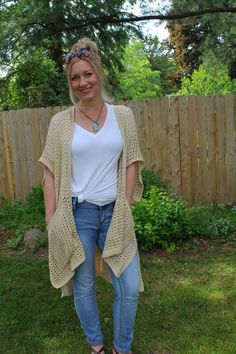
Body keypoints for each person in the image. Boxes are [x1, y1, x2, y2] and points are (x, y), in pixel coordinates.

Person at [39, 37, 144, 354]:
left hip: (115, 211)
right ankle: (97, 346)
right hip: (77, 214)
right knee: (84, 285)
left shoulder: (122, 116)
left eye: (87, 74)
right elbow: (50, 172)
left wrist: (124, 205)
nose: (82, 82)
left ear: (98, 73)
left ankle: (121, 348)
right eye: (75, 77)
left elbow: (131, 163)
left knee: (129, 287)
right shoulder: (61, 122)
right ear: (70, 82)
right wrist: (51, 220)